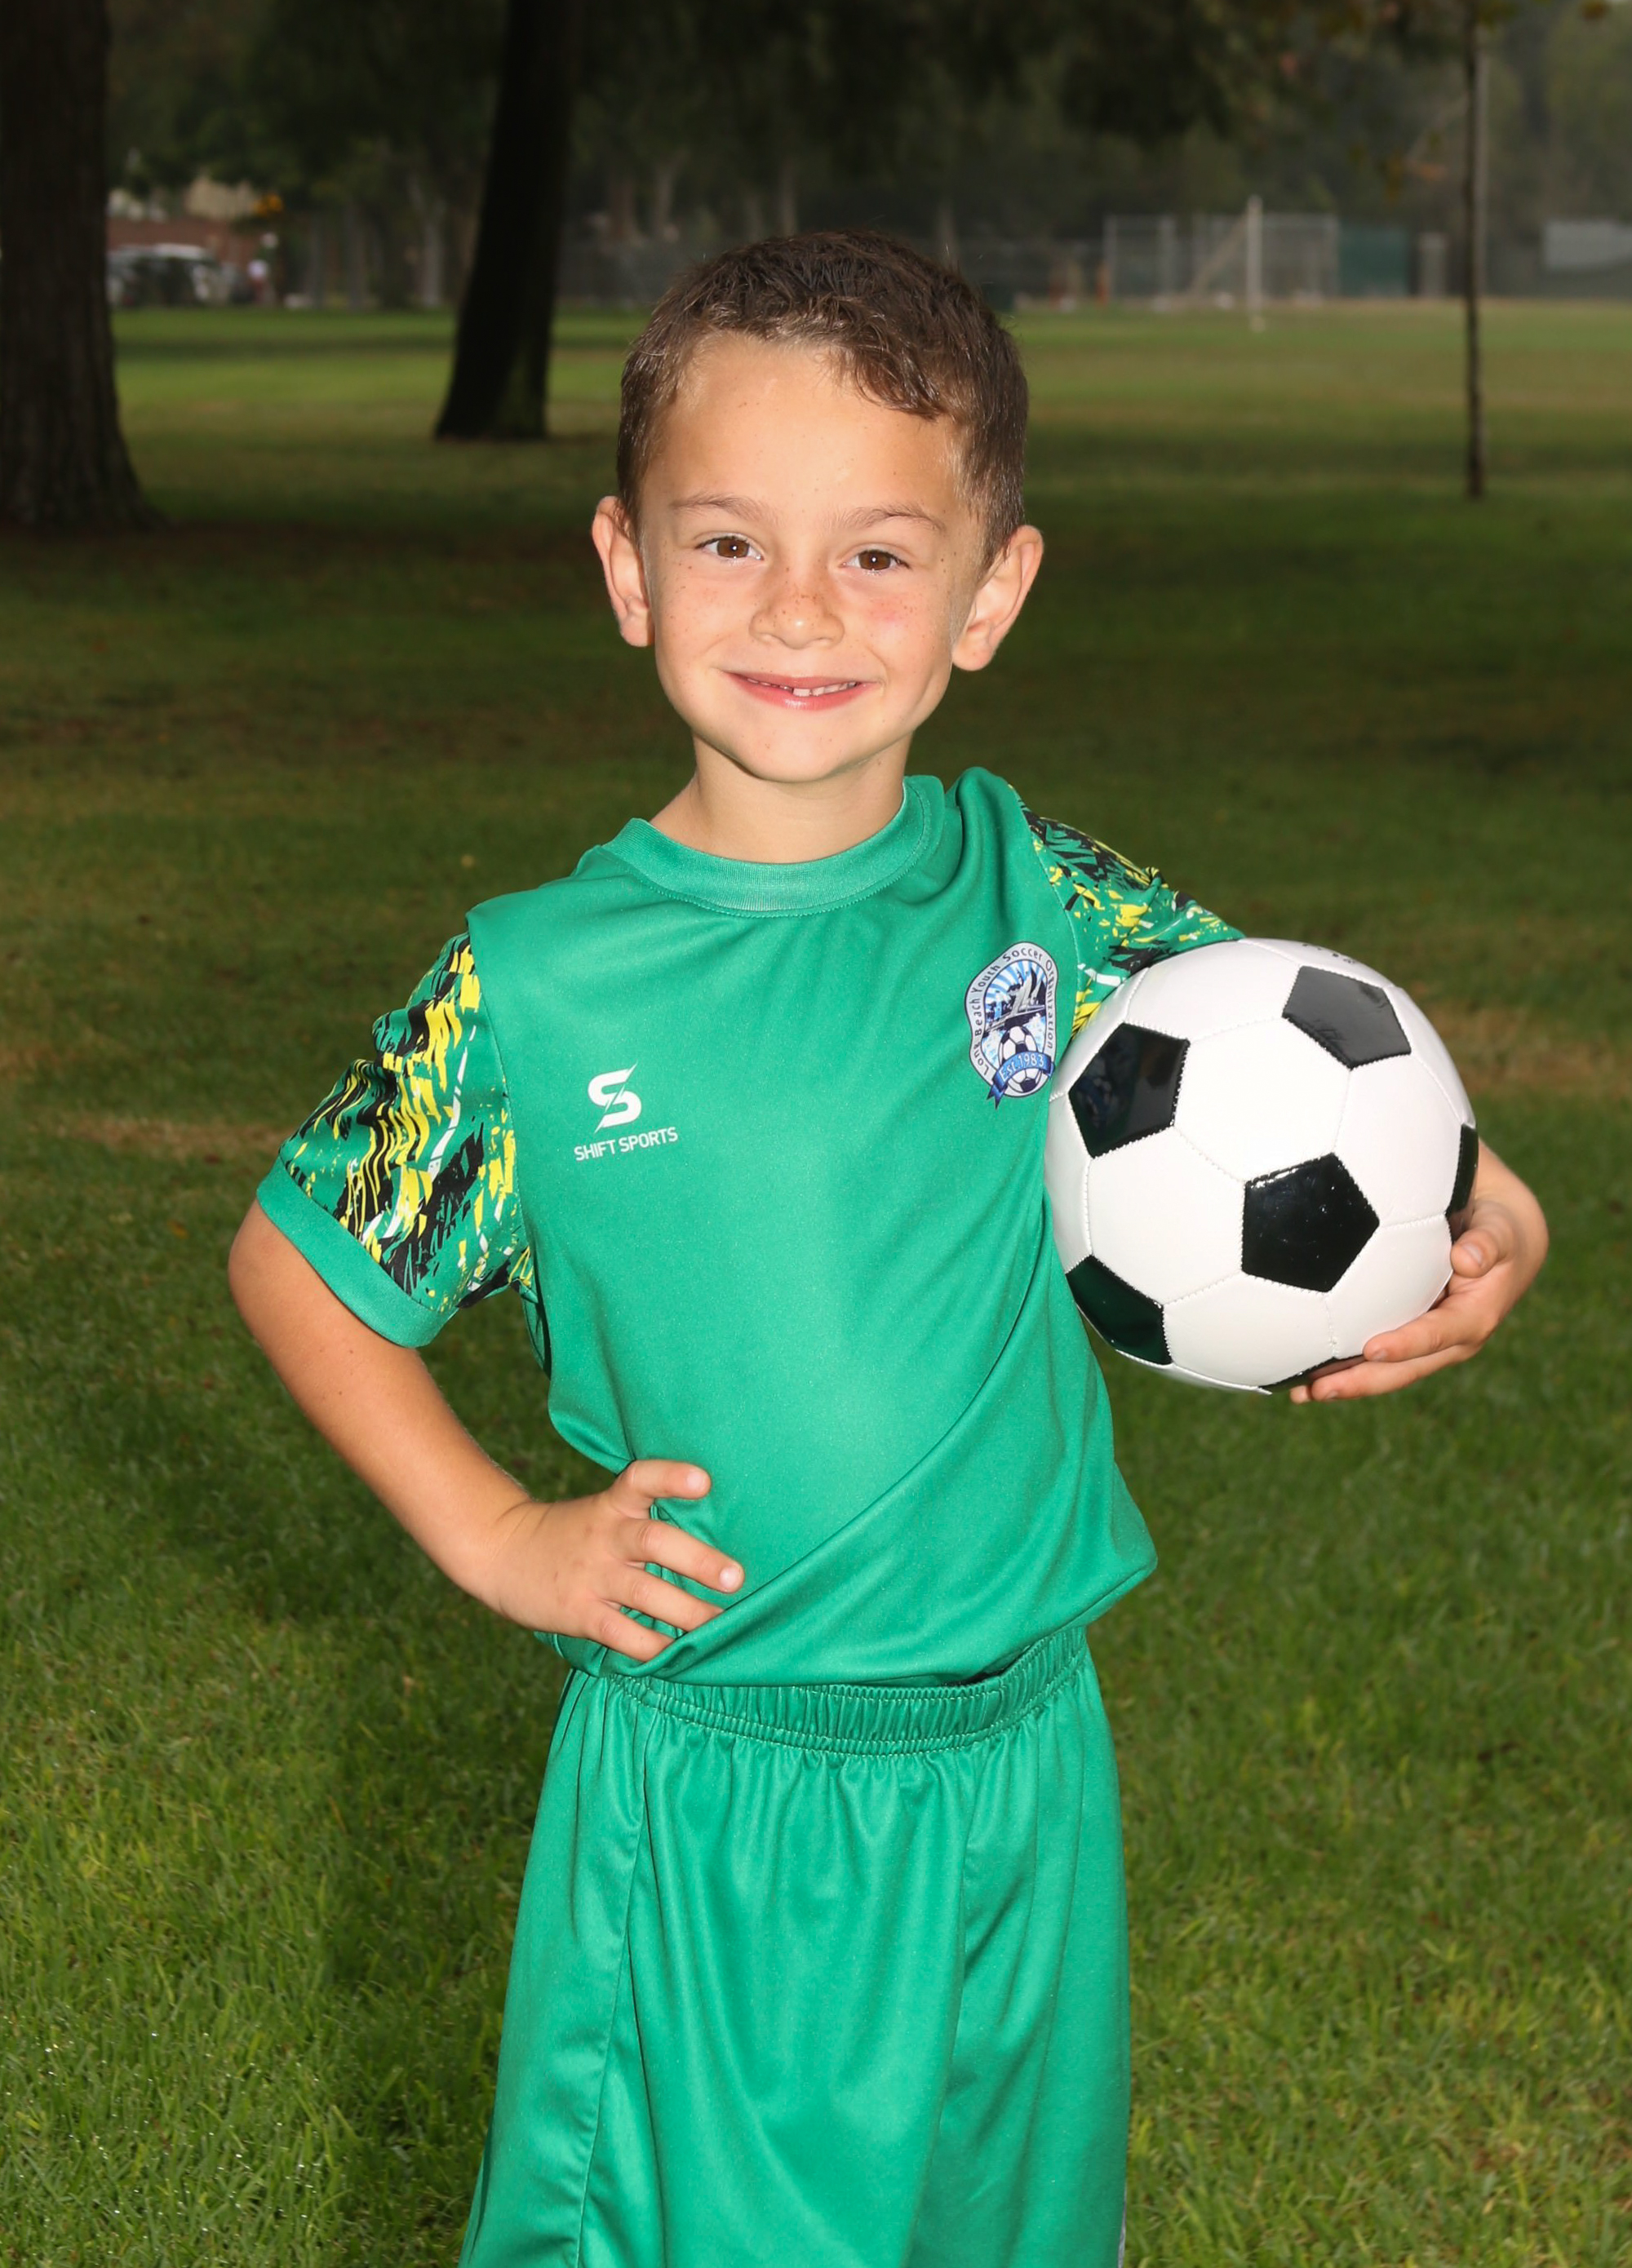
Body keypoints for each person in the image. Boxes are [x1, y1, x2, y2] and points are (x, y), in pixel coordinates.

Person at [228, 232, 1548, 2268]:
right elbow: (296, 1264)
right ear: (627, 568)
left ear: (987, 594)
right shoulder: (532, 989)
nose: (798, 608)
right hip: (727, 1794)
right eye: (729, 541)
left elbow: (1314, 1067)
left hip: (1024, 1764)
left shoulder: (1046, 897)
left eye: (875, 553)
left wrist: (1484, 1197)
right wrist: (497, 1535)